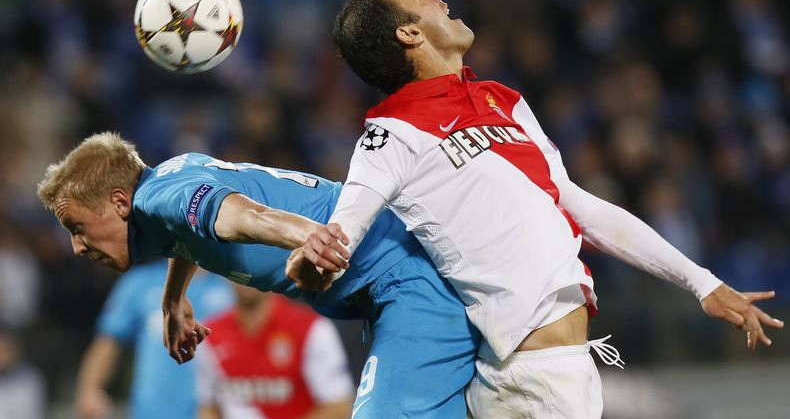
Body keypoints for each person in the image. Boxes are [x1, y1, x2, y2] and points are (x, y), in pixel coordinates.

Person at [298, 0, 785, 419]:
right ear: (409, 34)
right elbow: (341, 232)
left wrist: (701, 282)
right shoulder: (390, 133)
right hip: (536, 375)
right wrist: (314, 256)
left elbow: (581, 207)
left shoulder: (501, 100)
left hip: (542, 372)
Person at [36, 132, 480, 418]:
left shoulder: (160, 200)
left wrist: (313, 238)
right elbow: (187, 230)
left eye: (77, 227)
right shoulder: (166, 181)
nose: (77, 246)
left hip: (402, 281)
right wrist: (174, 298)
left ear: (118, 202)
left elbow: (241, 216)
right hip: (392, 281)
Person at [73, 260, 234, 419]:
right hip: (152, 413)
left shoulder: (231, 286)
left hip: (215, 411)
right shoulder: (140, 282)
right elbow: (107, 342)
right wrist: (90, 389)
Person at [196, 283, 354, 419]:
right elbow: (209, 407)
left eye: (252, 265)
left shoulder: (311, 329)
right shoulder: (210, 334)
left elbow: (339, 407)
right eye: (237, 265)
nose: (244, 275)